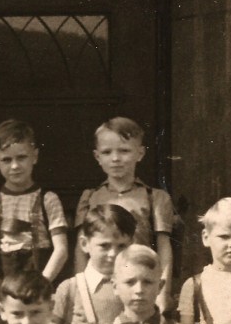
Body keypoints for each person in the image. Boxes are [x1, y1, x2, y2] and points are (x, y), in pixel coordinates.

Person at [73, 117, 175, 307]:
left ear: (140, 153)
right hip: (101, 284)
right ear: (97, 157)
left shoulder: (154, 197)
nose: (115, 158)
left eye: (124, 151)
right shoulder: (90, 197)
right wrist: (80, 286)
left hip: (139, 283)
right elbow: (81, 248)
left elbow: (164, 247)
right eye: (107, 152)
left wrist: (163, 291)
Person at [0, 120, 69, 288]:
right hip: (1, 284)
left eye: (21, 157)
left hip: (38, 281)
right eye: (6, 160)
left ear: (35, 156)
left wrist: (42, 285)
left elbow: (61, 250)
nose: (15, 166)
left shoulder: (47, 199)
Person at [49, 203, 134, 324]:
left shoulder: (135, 287)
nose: (113, 254)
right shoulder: (70, 288)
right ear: (84, 244)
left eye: (121, 246)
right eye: (104, 246)